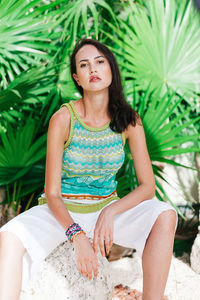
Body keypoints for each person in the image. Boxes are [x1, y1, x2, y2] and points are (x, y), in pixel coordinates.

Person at [0, 38, 177, 300]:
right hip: (61, 213)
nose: (93, 69)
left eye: (99, 62)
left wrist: (110, 210)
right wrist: (77, 236)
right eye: (84, 65)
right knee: (9, 236)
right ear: (77, 78)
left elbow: (147, 186)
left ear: (110, 70)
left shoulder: (129, 120)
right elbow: (52, 194)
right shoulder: (63, 119)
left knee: (166, 215)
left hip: (108, 209)